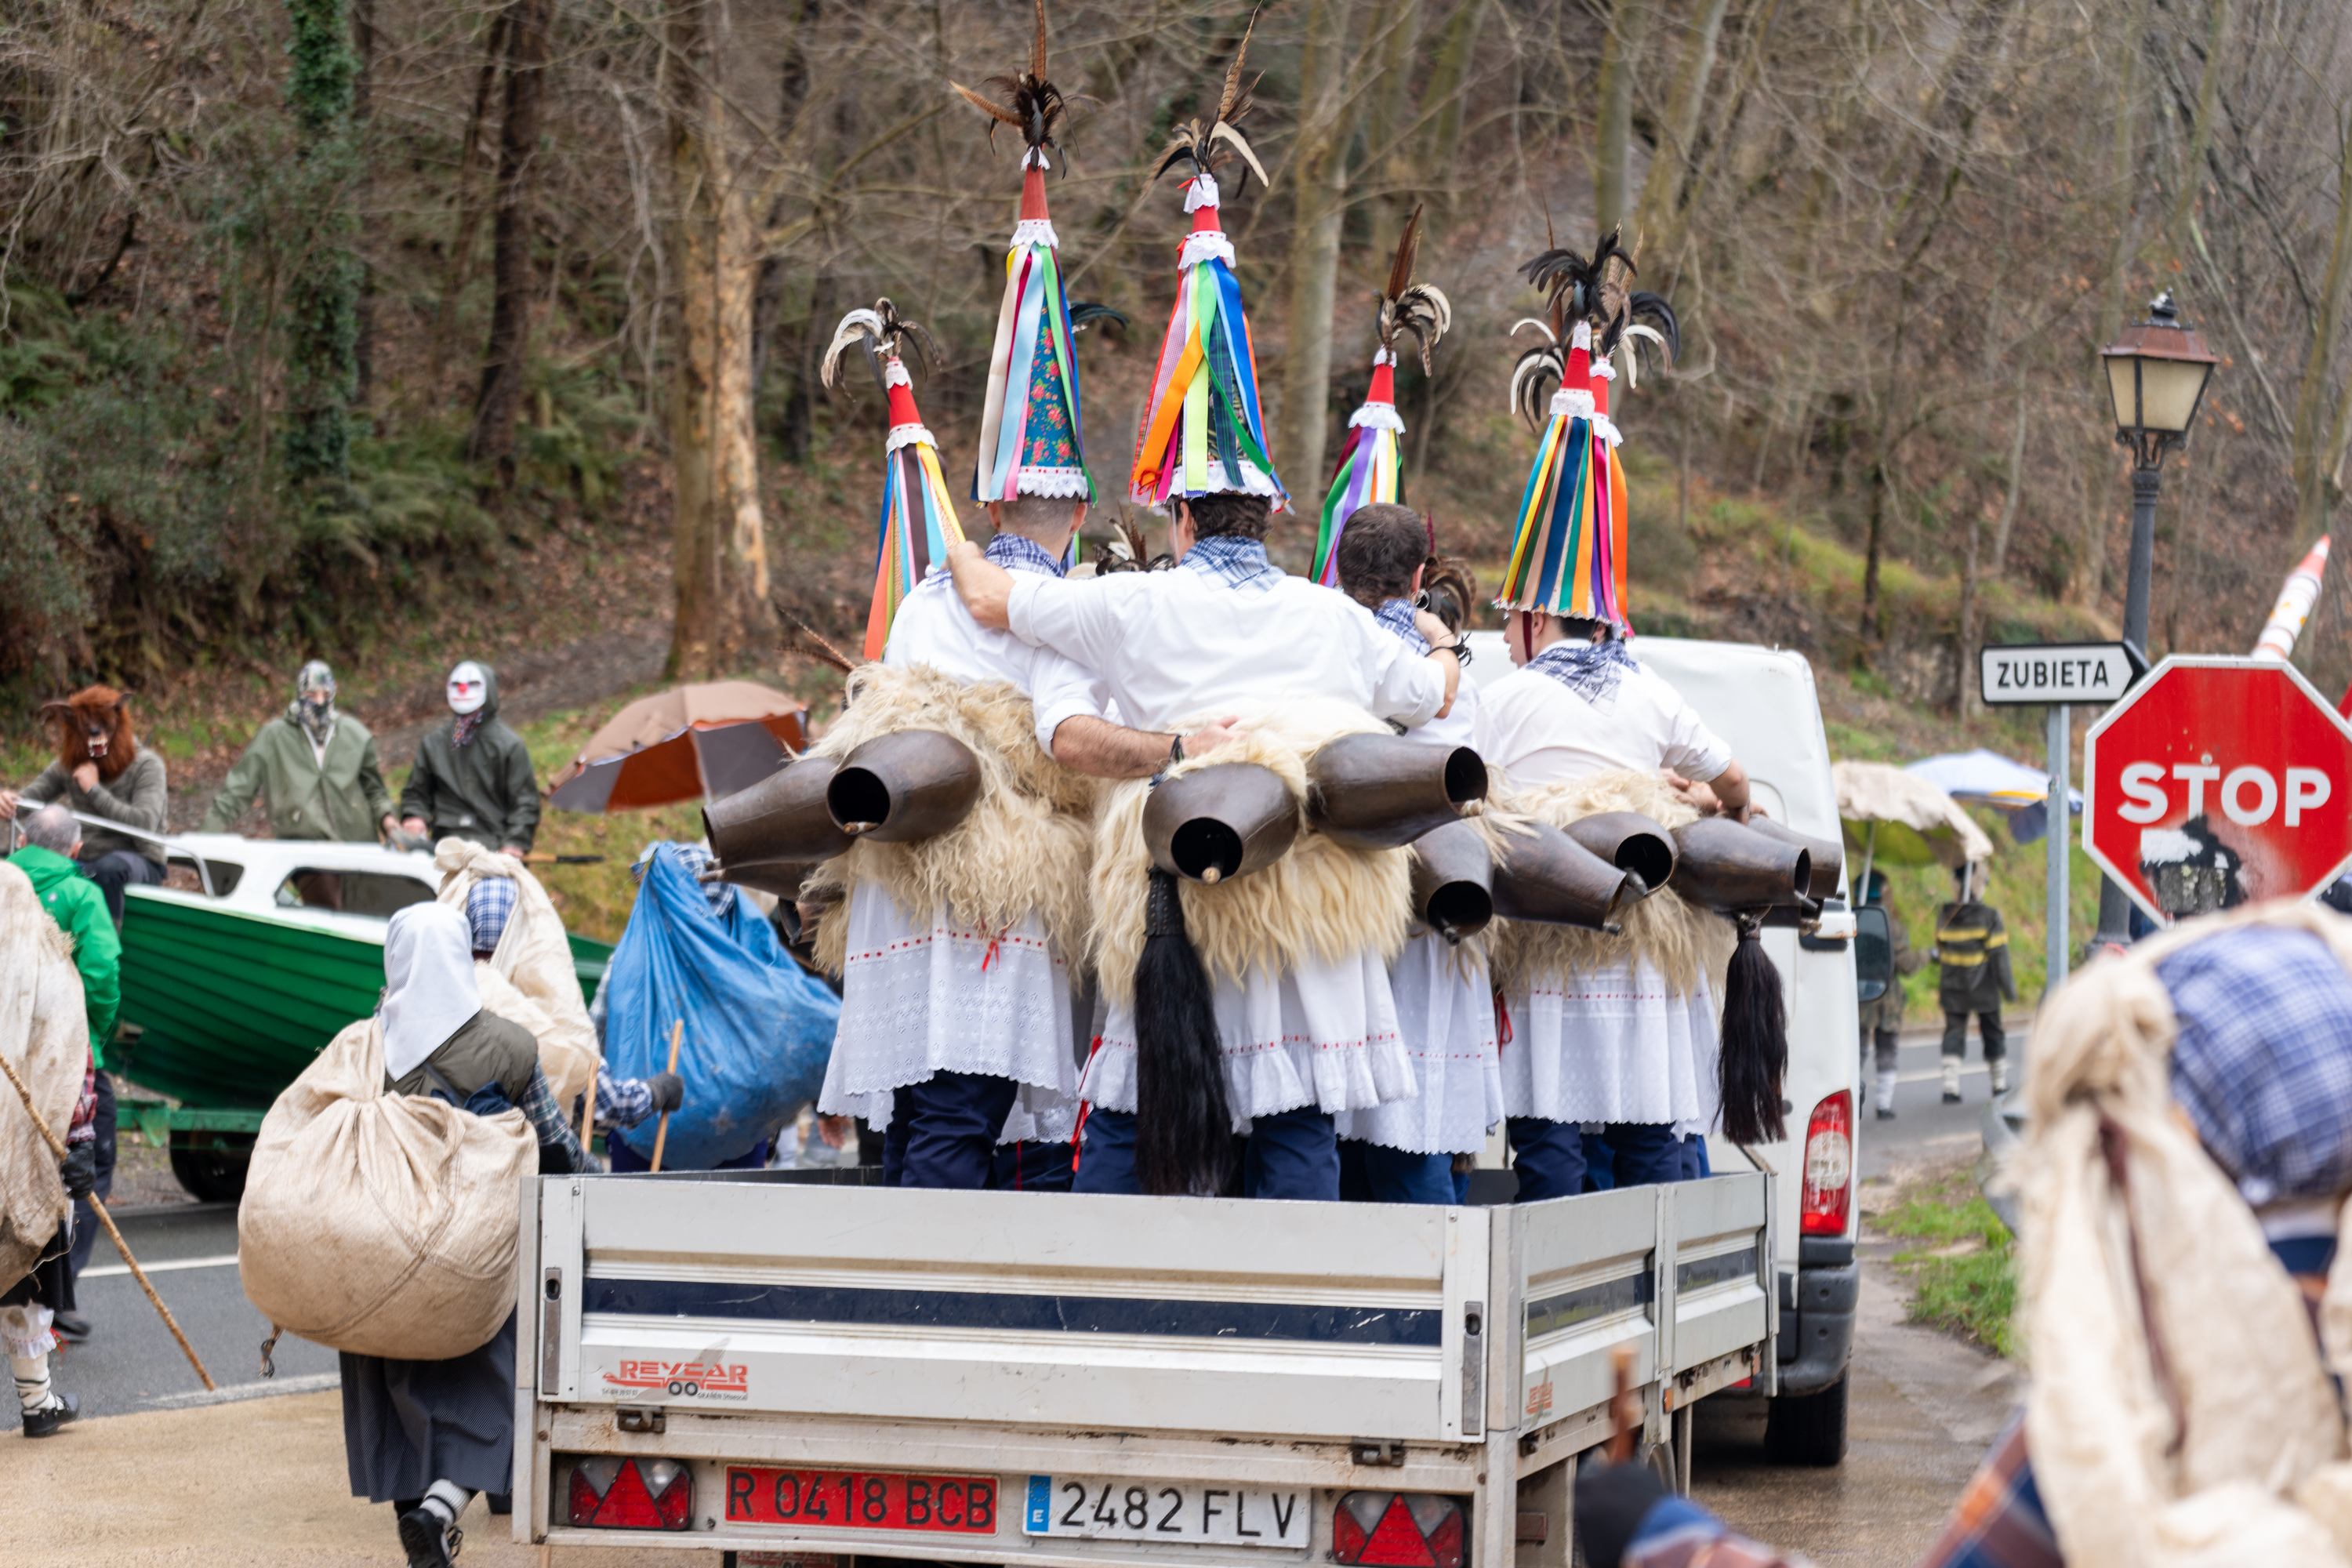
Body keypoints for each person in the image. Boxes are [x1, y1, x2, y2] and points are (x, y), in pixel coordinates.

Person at [805, 267, 1214, 1191]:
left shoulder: (919, 601)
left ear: (992, 509)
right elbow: (1075, 748)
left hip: (901, 888)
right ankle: (927, 1305)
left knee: (919, 1112)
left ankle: (904, 1289)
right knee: (957, 1111)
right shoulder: (1059, 611)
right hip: (998, 895)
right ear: (1076, 513)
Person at [341, 903, 591, 1568]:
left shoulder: (363, 1046)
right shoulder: (509, 1047)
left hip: (382, 1250)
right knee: (493, 1385)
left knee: (396, 1378)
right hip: (473, 1254)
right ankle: (441, 1509)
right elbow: (555, 1148)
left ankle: (417, 1511)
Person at [1327, 507, 1501, 1203]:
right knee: (1411, 1132)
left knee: (1317, 1125)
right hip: (1430, 921)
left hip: (1332, 913)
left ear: (1338, 571)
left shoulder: (1321, 649)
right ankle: (1430, 1300)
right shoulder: (1458, 683)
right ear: (1419, 577)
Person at [7, 804, 121, 1345]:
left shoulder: (7, 880)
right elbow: (101, 974)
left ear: (23, 838)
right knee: (81, 1170)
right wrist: (89, 1038)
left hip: (5, 1058)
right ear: (75, 850)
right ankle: (54, 1295)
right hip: (63, 1063)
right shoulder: (80, 896)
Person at [2, 684, 168, 923]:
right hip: (84, 857)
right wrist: (7, 802)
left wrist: (93, 790)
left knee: (106, 870)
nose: (95, 733)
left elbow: (143, 826)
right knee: (13, 861)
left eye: (103, 726)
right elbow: (27, 800)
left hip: (139, 860)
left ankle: (103, 946)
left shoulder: (147, 765)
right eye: (87, 729)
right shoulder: (70, 765)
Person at [201, 660, 399, 846]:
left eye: (326, 695)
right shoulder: (274, 737)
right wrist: (202, 840)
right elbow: (236, 793)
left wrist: (388, 820)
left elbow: (375, 791)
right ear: (299, 695)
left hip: (360, 847)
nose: (319, 702)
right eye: (311, 695)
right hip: (306, 853)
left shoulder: (355, 735)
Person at [2, 1061, 97, 1439]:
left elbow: (69, 1046)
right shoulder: (57, 998)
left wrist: (82, 1141)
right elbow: (71, 1054)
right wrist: (82, 1138)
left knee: (26, 1275)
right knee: (25, 1276)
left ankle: (38, 1402)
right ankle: (37, 1404)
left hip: (28, 1151)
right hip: (28, 1153)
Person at [397, 662, 537, 857]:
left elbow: (525, 802)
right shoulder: (434, 744)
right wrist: (414, 817)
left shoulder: (508, 746)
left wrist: (515, 842)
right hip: (444, 845)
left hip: (493, 846)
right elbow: (416, 793)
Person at [1933, 861, 2015, 1102]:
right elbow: (2000, 958)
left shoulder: (1945, 916)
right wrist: (2008, 990)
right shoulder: (1989, 917)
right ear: (1978, 885)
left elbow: (1939, 948)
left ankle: (1950, 1088)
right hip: (1984, 989)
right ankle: (1999, 1084)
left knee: (1953, 1033)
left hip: (1952, 987)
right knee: (1993, 1032)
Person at [1858, 869, 1923, 1120]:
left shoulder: (1851, 920)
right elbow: (1906, 964)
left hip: (1860, 998)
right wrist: (1928, 955)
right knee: (1887, 1050)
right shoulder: (1893, 928)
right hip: (1888, 998)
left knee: (1857, 1051)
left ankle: (1852, 1101)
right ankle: (1883, 1105)